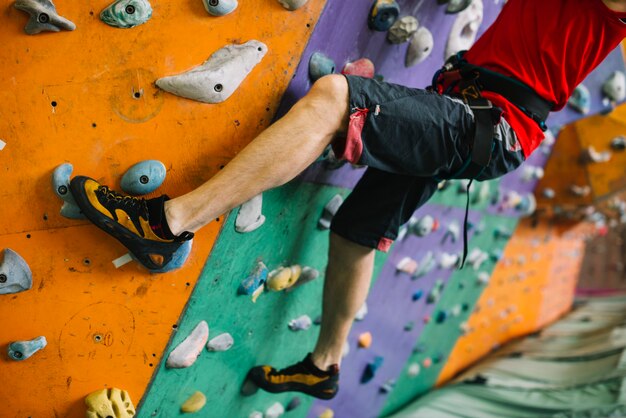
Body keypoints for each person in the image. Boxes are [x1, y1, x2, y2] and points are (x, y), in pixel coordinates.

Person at [70, 0, 626, 400]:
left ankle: (168, 224)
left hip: (489, 123)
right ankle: (324, 365)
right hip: (471, 111)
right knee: (358, 231)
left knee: (336, 96)